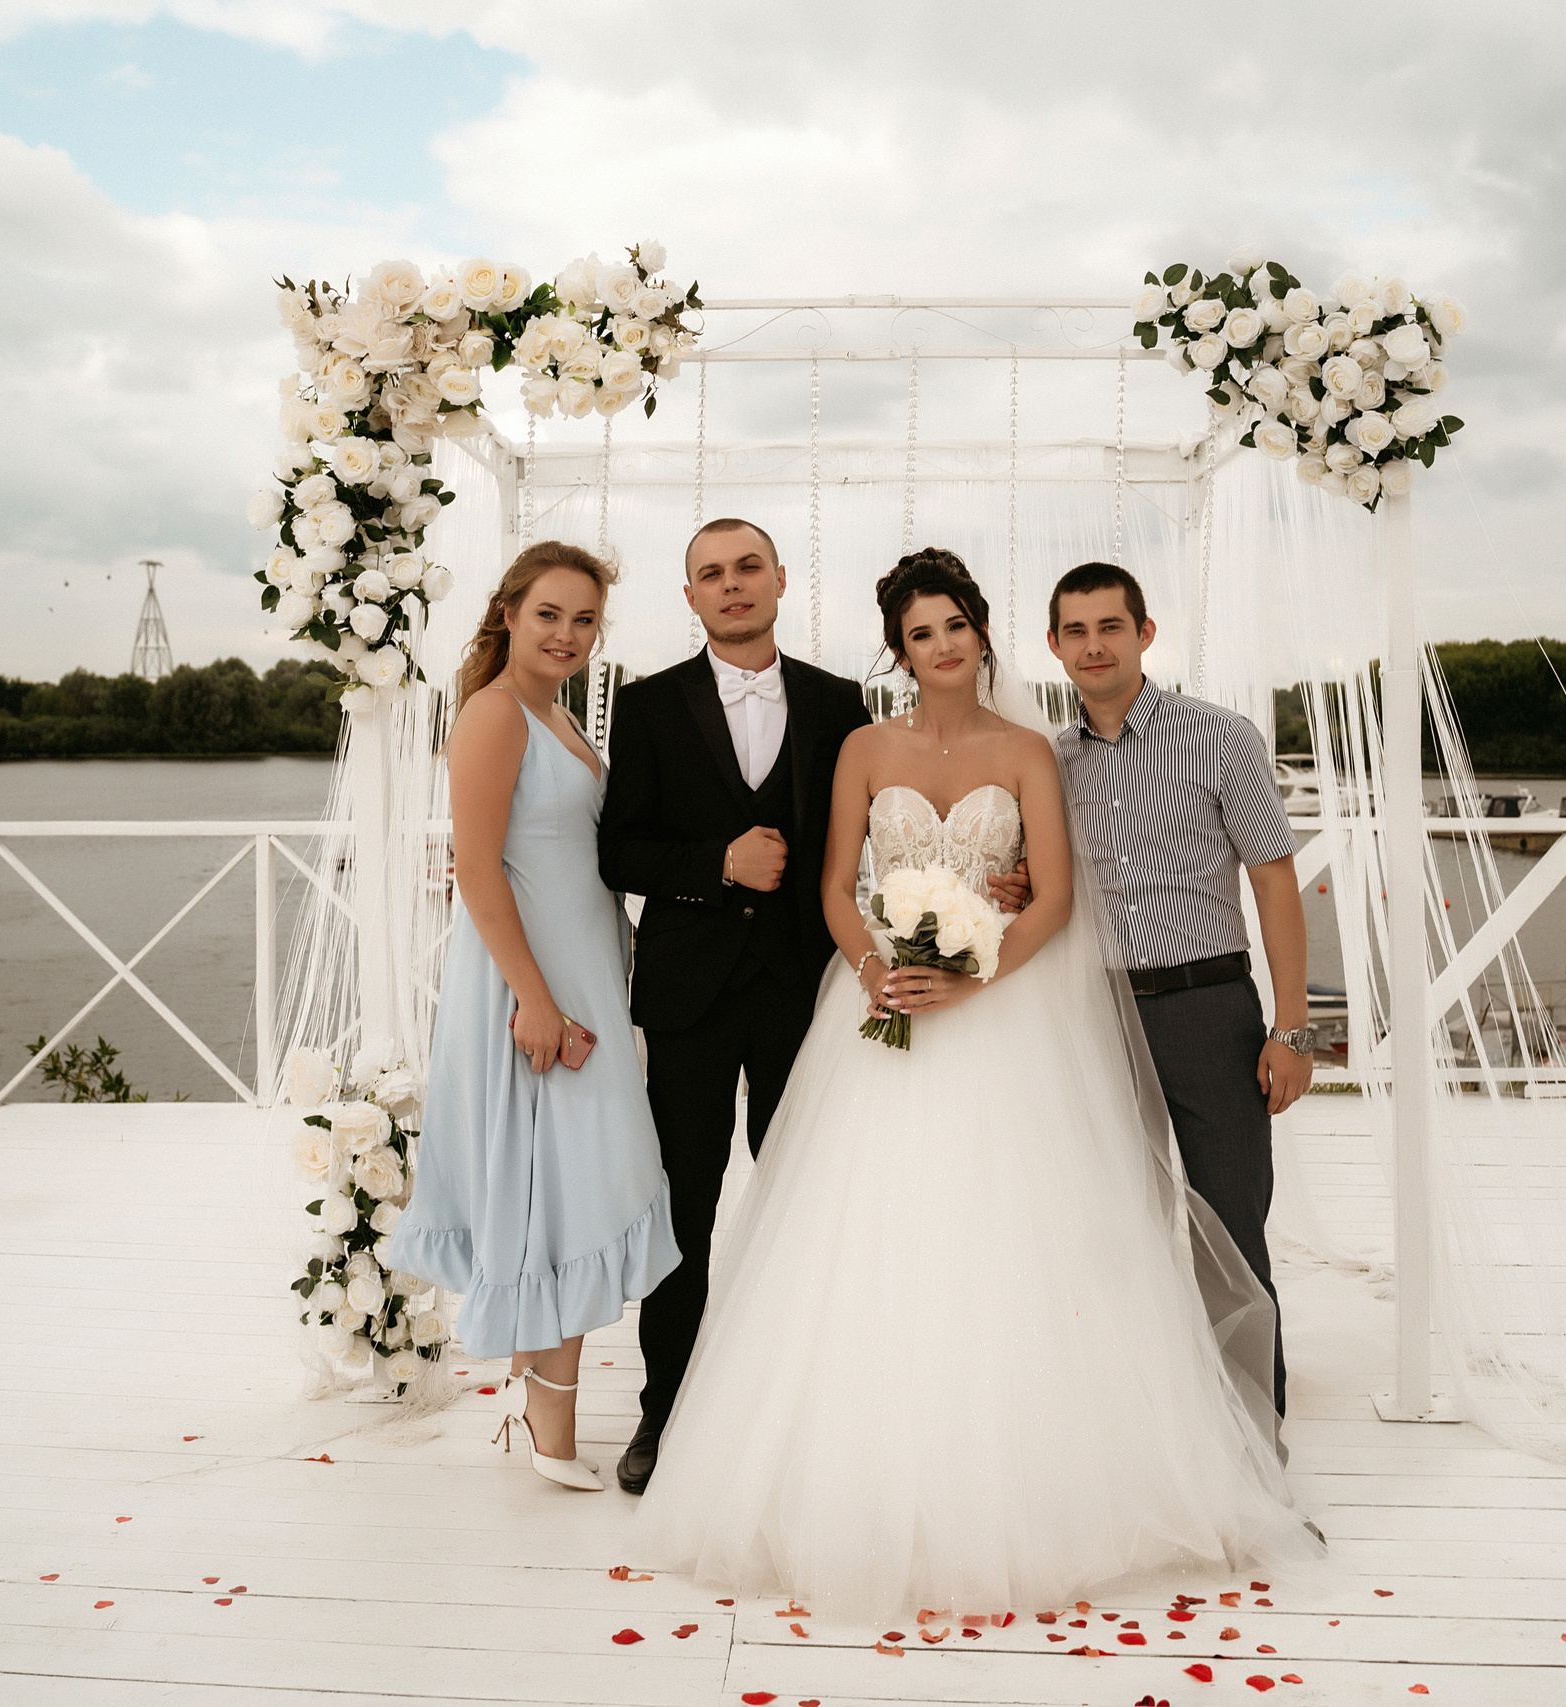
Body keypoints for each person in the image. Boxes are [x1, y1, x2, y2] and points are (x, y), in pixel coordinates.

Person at [633, 547, 1316, 1619]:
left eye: (955, 626)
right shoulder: (862, 746)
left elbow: (1047, 894)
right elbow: (832, 882)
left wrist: (971, 966)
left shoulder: (1033, 753)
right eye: (920, 633)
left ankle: (1229, 1441)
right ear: (897, 650)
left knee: (1065, 1229)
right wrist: (873, 969)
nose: (942, 646)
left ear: (986, 633)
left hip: (1009, 1015)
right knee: (871, 1237)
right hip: (879, 1013)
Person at [391, 540, 679, 1493]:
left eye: (584, 618)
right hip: (533, 990)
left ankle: (537, 1398)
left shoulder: (555, 716)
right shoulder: (491, 714)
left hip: (581, 977)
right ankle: (550, 1420)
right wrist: (537, 1001)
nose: (566, 633)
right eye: (548, 613)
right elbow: (477, 872)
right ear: (508, 611)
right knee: (581, 1192)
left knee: (567, 1188)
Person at [596, 517, 871, 1496]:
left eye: (747, 566)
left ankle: (808, 1411)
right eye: (710, 573)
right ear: (690, 598)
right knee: (685, 1211)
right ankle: (663, 1414)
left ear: (780, 579)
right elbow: (617, 852)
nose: (732, 584)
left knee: (809, 1203)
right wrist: (715, 865)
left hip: (808, 996)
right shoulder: (647, 706)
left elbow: (875, 831)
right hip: (689, 1001)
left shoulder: (842, 703)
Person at [1045, 561, 1318, 1417]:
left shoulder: (1220, 737)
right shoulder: (1050, 762)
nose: (1094, 646)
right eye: (1076, 631)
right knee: (1109, 1227)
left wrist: (1295, 1027)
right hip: (1096, 1017)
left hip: (1208, 1008)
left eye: (1110, 627)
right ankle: (1144, 1422)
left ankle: (1253, 1430)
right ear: (1054, 646)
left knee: (1230, 1228)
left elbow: (1275, 880)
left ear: (1144, 633)